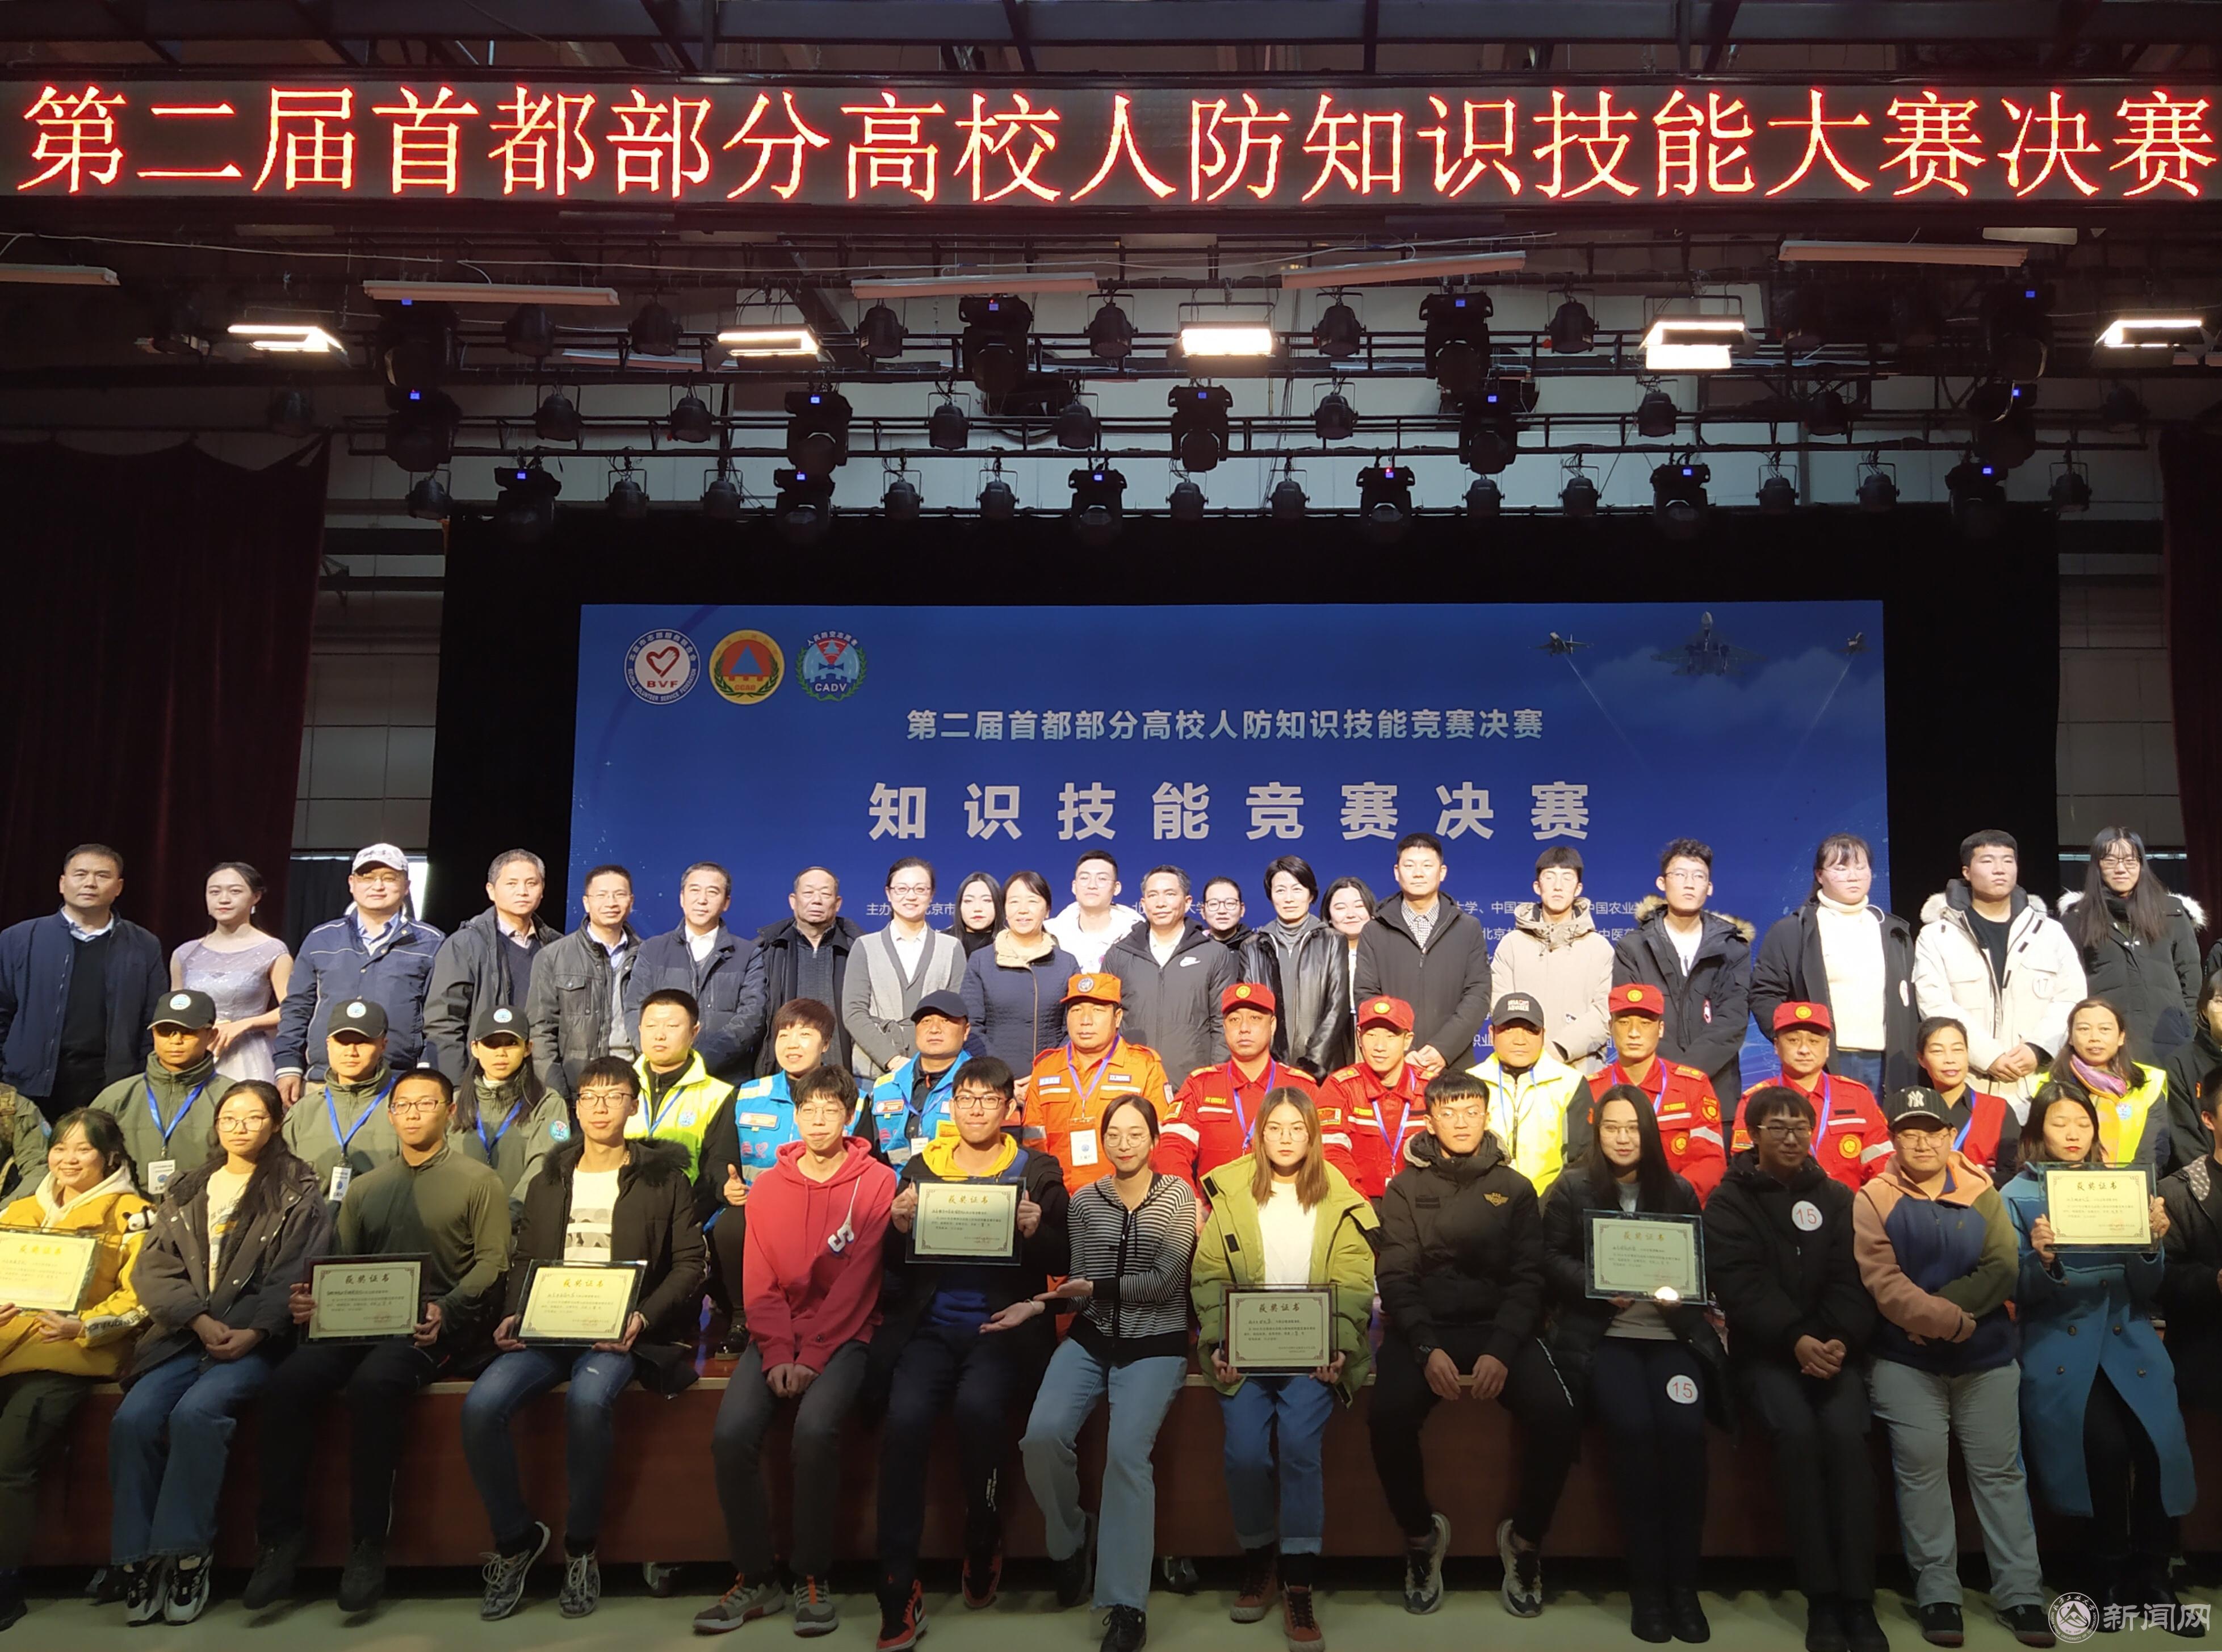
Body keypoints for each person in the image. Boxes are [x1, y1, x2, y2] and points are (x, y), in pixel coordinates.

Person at [241, 1067, 509, 1615]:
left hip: (430, 1328)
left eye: (425, 1104)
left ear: (449, 1112)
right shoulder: (366, 1188)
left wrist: (447, 1309)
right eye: (403, 1105)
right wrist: (311, 1302)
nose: (412, 1114)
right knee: (288, 1383)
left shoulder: (479, 1181)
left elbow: (492, 1264)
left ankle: (367, 1544)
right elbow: (341, 1265)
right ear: (390, 1115)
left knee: (374, 1386)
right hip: (358, 1323)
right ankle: (280, 1539)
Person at [467, 1056, 706, 1623]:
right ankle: (516, 1541)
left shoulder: (664, 1179)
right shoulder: (550, 1178)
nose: (600, 1107)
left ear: (633, 1105)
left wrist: (642, 1318)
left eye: (613, 1096)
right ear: (575, 1108)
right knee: (480, 1407)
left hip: (622, 1333)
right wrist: (514, 1312)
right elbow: (526, 1256)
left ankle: (581, 1547)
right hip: (549, 1328)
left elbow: (690, 1264)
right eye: (589, 1097)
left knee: (588, 1399)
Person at [870, 1056, 1069, 1643]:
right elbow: (892, 1265)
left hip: (1001, 1328)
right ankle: (896, 1579)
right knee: (904, 1421)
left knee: (978, 1411)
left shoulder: (1037, 1170)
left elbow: (1063, 1257)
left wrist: (1036, 1231)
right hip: (929, 1329)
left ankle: (983, 1534)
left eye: (989, 1100)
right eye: (966, 1099)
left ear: (1009, 1109)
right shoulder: (920, 1169)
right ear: (950, 1107)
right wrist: (896, 1227)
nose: (976, 1110)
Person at [113, 1081, 328, 1627]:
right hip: (184, 1336)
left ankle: (187, 1555)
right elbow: (153, 1271)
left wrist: (255, 1331)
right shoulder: (188, 1188)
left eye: (253, 1117)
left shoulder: (298, 1191)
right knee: (133, 1418)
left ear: (275, 1124)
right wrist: (198, 1318)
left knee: (197, 1413)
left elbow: (295, 1273)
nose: (239, 1127)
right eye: (229, 1117)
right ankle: (138, 1559)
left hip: (256, 1341)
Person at [1368, 1071, 1579, 1621]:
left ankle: (1524, 1541)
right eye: (1448, 1112)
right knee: (1386, 1415)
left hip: (1499, 1328)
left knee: (1558, 1416)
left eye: (1471, 1112)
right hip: (1426, 1330)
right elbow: (1396, 1277)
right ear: (1430, 1120)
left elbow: (1529, 1279)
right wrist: (1424, 1348)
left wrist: (1503, 1348)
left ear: (1486, 1117)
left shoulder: (1514, 1188)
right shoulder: (1403, 1188)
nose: (1460, 1123)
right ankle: (1421, 1539)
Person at [692, 1063, 890, 1638]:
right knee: (730, 1436)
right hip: (776, 1336)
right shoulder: (769, 1187)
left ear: (850, 1116)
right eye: (809, 1109)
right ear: (795, 1116)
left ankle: (811, 1574)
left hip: (846, 1335)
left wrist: (814, 1357)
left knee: (815, 1430)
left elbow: (859, 1283)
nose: (819, 1119)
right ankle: (757, 1577)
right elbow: (759, 1282)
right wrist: (779, 1352)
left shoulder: (877, 1182)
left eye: (832, 1109)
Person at [1852, 1088, 2054, 1650]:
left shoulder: (1982, 1190)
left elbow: (2001, 1268)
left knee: (2000, 1475)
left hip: (1984, 1358)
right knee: (1920, 1473)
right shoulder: (1873, 1197)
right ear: (1893, 1140)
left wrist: (1938, 1318)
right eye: (1909, 1133)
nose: (1922, 1144)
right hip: (1904, 1360)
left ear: (1950, 1136)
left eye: (1933, 1132)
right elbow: (1882, 1281)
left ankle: (2021, 1593)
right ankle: (1937, 1592)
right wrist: (1941, 1320)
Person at [2003, 1087, 2197, 1630]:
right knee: (2106, 1448)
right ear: (2037, 1133)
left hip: (2129, 1337)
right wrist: (2043, 1261)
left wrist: (2151, 1246)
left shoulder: (2123, 1187)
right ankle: (2107, 1575)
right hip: (2059, 1343)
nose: (2072, 1134)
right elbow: (2014, 1288)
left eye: (2082, 1124)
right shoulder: (2015, 1194)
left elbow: (2147, 1287)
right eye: (2059, 1123)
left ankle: (2156, 1576)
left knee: (2158, 1444)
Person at [1190, 1088, 1377, 1650]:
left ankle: (1298, 1580)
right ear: (1259, 1135)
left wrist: (1338, 1343)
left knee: (1298, 1447)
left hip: (1311, 1355)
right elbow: (1208, 1274)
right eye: (1275, 1128)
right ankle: (1259, 1561)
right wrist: (1218, 1340)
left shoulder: (1338, 1196)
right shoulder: (1231, 1193)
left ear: (1313, 1134)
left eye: (1297, 1128)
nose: (1286, 1139)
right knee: (1245, 1454)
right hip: (1247, 1355)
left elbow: (1353, 1277)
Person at [1541, 1085, 1726, 1644]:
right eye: (1611, 1127)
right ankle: (1646, 1590)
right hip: (1606, 1339)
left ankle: (1683, 1589)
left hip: (1671, 1338)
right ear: (1596, 1132)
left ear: (1648, 1132)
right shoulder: (1571, 1186)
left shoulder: (1676, 1190)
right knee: (1634, 1433)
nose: (1623, 1138)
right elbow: (1549, 1258)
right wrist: (1596, 1285)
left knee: (1684, 1435)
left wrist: (1682, 1290)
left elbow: (1700, 1265)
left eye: (1632, 1127)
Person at [1704, 1084, 1882, 1652]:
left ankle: (1859, 1599)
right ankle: (1822, 1599)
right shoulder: (1728, 1201)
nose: (1790, 1137)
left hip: (1833, 1352)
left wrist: (1835, 1341)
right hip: (1766, 1356)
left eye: (1800, 1126)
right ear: (1752, 1136)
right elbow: (1740, 1284)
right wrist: (1795, 1338)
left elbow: (1854, 1278)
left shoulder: (1836, 1196)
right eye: (1776, 1128)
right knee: (1799, 1438)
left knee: (1848, 1440)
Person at [1017, 1095, 1197, 1652]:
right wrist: (1037, 1305)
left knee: (1125, 1458)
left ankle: (1126, 1605)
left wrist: (1093, 1288)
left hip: (1155, 1344)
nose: (1124, 1144)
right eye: (1113, 1135)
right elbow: (1077, 1286)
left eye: (1135, 1134)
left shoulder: (1178, 1196)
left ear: (1154, 1139)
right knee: (1040, 1437)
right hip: (1092, 1338)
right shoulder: (1084, 1201)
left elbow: (1164, 1283)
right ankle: (1072, 1540)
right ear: (1102, 1142)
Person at [0, 1109, 150, 1630]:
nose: (68, 1159)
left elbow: (140, 1299)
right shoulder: (18, 1209)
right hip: (6, 1347)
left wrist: (82, 1326)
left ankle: (6, 1581)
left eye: (83, 1150)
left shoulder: (134, 1215)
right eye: (60, 1148)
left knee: (9, 1459)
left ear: (110, 1157)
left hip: (67, 1357)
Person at [1913, 830, 2085, 1114]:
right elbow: (1934, 1004)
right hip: (1968, 1084)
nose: (1999, 869)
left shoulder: (2050, 932)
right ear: (1967, 872)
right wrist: (1988, 1056)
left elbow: (2071, 998)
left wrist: (2038, 1049)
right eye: (1988, 861)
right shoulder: (1937, 935)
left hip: (2038, 1082)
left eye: (2008, 861)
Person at [697, 998, 836, 1349]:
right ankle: (743, 1317)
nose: (792, 1044)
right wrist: (726, 1185)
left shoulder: (849, 1098)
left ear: (826, 1044)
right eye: (784, 1035)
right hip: (758, 1204)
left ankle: (819, 1318)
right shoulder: (747, 1095)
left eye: (805, 1035)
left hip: (824, 1205)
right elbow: (718, 1157)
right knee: (730, 1227)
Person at [0, 843, 166, 1123]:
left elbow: (152, 1020)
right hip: (28, 1086)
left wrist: (138, 1078)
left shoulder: (143, 945)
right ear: (62, 883)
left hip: (111, 1086)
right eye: (81, 874)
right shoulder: (19, 939)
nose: (90, 883)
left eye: (102, 876)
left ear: (119, 887)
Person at [272, 842, 443, 1106]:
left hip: (399, 1082)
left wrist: (426, 1073)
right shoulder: (321, 938)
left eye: (389, 878)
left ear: (406, 886)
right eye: (367, 877)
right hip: (323, 1079)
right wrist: (288, 1065)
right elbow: (297, 1007)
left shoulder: (432, 943)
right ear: (351, 884)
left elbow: (437, 1016)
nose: (378, 886)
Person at [1750, 833, 1920, 1097]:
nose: (1853, 876)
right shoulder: (1793, 930)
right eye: (1841, 868)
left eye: (1861, 867)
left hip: (1887, 1061)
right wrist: (1794, 1040)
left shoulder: (1894, 931)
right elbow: (1765, 994)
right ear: (1820, 875)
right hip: (1824, 1059)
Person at [1614, 839, 1754, 1105]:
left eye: (1698, 876)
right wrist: (1670, 1076)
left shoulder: (1733, 948)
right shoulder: (1633, 947)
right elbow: (1632, 1018)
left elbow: (1732, 1020)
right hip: (1650, 1088)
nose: (1689, 884)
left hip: (1716, 1089)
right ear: (1662, 883)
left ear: (1709, 887)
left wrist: (1686, 1075)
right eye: (1679, 875)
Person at [1353, 832, 1491, 1084]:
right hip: (1392, 1066)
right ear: (1397, 872)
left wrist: (1443, 1048)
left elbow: (1478, 994)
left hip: (1453, 1064)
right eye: (1410, 866)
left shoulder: (1468, 928)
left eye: (1427, 865)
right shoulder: (1375, 930)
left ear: (1442, 872)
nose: (1418, 873)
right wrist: (1403, 1049)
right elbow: (1367, 995)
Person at [1156, 984, 1318, 1197]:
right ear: (1224, 1027)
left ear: (1272, 1025)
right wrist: (1187, 1201)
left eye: (1255, 1018)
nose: (1244, 1028)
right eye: (1234, 1020)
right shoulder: (1200, 1085)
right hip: (1214, 1211)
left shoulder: (1302, 1087)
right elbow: (1171, 1148)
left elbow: (1325, 1156)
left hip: (1284, 1208)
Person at [1569, 983, 1726, 1200]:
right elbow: (1579, 1163)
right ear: (1610, 1027)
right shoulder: (1588, 1089)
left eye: (1645, 1023)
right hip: (1605, 1207)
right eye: (1624, 1022)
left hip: (1676, 1206)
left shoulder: (1693, 1086)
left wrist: (1671, 1200)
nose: (1634, 1033)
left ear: (1661, 1029)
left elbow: (1710, 1161)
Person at [2060, 827, 2202, 1065]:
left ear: (2141, 864)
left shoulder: (2172, 912)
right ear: (2097, 866)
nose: (2121, 868)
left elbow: (2191, 977)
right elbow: (2069, 986)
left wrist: (2184, 1028)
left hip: (2170, 1043)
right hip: (2105, 1047)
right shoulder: (2077, 919)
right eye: (2110, 860)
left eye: (2129, 860)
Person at [422, 849, 560, 1088]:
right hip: (481, 1079)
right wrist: (456, 1086)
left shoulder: (557, 947)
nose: (522, 891)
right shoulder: (465, 944)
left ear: (542, 889)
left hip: (539, 1079)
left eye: (531, 883)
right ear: (491, 890)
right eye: (512, 883)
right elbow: (443, 1021)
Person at [1026, 975, 1172, 1193]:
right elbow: (1033, 1141)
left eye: (1097, 1010)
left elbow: (1161, 1142)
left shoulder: (1145, 1067)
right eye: (1076, 1010)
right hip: (1058, 1196)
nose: (1085, 1020)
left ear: (1118, 1017)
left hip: (1124, 1197)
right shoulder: (1045, 1069)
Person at [625, 862, 765, 1084]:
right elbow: (635, 1009)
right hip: (662, 1077)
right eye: (695, 890)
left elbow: (752, 1016)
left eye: (713, 892)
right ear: (682, 898)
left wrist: (699, 1062)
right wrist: (664, 1059)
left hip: (725, 1080)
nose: (702, 900)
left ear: (726, 902)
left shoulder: (748, 954)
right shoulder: (652, 950)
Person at [1732, 1003, 1894, 1190]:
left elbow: (1883, 1162)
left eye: (1814, 1041)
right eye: (1793, 1040)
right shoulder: (1756, 1100)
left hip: (1849, 1205)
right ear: (1776, 1046)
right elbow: (1745, 1168)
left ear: (1828, 1047)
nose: (1804, 1049)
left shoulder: (1857, 1096)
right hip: (1779, 1203)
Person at [91, 989, 231, 1197]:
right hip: (128, 1211)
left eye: (188, 1031)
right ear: (153, 1033)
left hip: (205, 1210)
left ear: (211, 1035)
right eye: (165, 1031)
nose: (176, 1040)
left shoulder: (232, 1098)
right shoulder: (116, 1097)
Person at [1103, 866, 1235, 1083]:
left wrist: (1213, 1080)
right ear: (1143, 904)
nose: (1161, 903)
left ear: (1188, 902)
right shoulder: (1119, 955)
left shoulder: (1213, 954)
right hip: (1130, 1083)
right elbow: (1105, 1021)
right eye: (1153, 895)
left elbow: (1224, 1023)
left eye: (1170, 894)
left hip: (1192, 1084)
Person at [1490, 846, 1613, 1075]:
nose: (1558, 886)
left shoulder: (1599, 948)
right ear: (1537, 887)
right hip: (1522, 1068)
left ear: (1578, 888)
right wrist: (1531, 1048)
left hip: (1582, 1070)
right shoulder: (1512, 945)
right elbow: (1501, 1005)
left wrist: (1560, 1049)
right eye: (1550, 877)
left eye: (1567, 878)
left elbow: (1604, 1012)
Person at [526, 862, 640, 1100]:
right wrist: (557, 1093)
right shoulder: (553, 956)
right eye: (602, 895)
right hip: (575, 1086)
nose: (611, 903)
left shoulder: (648, 956)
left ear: (631, 902)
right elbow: (541, 1030)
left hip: (632, 1085)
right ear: (586, 903)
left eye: (619, 895)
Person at [170, 861, 291, 1083]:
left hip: (246, 1054)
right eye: (214, 892)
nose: (224, 899)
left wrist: (245, 1024)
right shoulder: (185, 953)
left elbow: (291, 1009)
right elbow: (174, 1010)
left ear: (256, 897)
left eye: (235, 891)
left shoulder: (273, 950)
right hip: (195, 1054)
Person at [845, 859, 963, 1084]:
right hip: (874, 1073)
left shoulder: (951, 948)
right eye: (902, 889)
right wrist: (892, 1059)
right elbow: (853, 1012)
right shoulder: (865, 946)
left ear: (932, 895)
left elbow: (957, 1014)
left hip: (936, 1072)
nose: (911, 896)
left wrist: (930, 1061)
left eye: (920, 889)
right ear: (888, 894)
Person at [451, 1003, 571, 1218]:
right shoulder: (453, 1104)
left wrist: (505, 1217)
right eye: (491, 1044)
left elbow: (544, 1166)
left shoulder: (547, 1103)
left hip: (521, 1226)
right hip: (457, 1226)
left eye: (512, 1043)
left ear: (528, 1048)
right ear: (475, 1048)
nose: (501, 1053)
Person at [1238, 856, 1352, 1079]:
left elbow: (1338, 1007)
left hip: (1321, 1068)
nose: (1289, 899)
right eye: (1280, 890)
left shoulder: (1332, 940)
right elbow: (1249, 1009)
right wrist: (1265, 1063)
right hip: (1267, 1069)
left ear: (1311, 895)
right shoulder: (1252, 946)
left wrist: (1313, 1063)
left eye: (1297, 889)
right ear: (1270, 896)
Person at [278, 999, 402, 1204]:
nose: (351, 1052)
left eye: (363, 1042)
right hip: (315, 1221)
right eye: (342, 1042)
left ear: (383, 1046)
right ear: (328, 1044)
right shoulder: (303, 1112)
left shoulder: (405, 1106)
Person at [2029, 997, 2171, 1173]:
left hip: (2132, 1184)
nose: (2094, 1038)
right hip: (2067, 1183)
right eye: (2084, 1029)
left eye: (2104, 1029)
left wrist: (2123, 1185)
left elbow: (2155, 1152)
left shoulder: (2150, 1082)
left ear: (2121, 1037)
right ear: (2071, 1037)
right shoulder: (2047, 1084)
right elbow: (2037, 1148)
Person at [962, 871, 1076, 1087]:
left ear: (1048, 910)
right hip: (994, 1084)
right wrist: (1001, 1077)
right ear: (1004, 910)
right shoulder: (981, 961)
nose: (1023, 910)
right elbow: (972, 1027)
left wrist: (1047, 1072)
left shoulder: (1066, 964)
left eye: (1032, 901)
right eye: (1014, 902)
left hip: (1054, 1081)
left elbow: (1074, 1028)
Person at [1466, 992, 1581, 1194]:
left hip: (1551, 1204)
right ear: (1492, 1033)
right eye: (1509, 1029)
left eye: (1530, 1030)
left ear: (1543, 1035)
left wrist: (1549, 1203)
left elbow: (1580, 1159)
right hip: (1481, 1203)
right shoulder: (1470, 1082)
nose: (1520, 1040)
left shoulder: (1570, 1083)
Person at [1318, 996, 1429, 1201]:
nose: (1379, 1046)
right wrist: (1361, 1203)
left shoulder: (1430, 1087)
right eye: (1371, 1035)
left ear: (1407, 1040)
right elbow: (1331, 1152)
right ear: (1359, 1037)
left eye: (1390, 1036)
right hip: (1357, 1199)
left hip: (1421, 1203)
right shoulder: (1340, 1087)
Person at [760, 866, 863, 1078]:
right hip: (784, 1071)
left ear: (838, 903)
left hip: (845, 1072)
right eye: (808, 893)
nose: (817, 900)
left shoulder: (860, 949)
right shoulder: (767, 950)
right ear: (793, 900)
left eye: (825, 894)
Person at [627, 987, 737, 1182]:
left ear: (694, 1032)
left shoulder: (719, 1095)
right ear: (640, 1030)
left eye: (672, 1026)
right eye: (651, 1026)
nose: (660, 1035)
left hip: (687, 1199)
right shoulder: (619, 1086)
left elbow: (715, 1169)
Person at [2160, 1068, 2222, 1411]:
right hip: (2204, 1363)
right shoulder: (2179, 1191)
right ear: (2208, 1119)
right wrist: (2214, 1282)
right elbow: (2161, 1279)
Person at [866, 991, 974, 1166]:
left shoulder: (983, 1086)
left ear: (966, 1031)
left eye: (946, 1021)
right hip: (894, 1180)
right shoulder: (886, 1087)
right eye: (926, 1021)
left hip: (955, 1180)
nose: (934, 1029)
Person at [1915, 1016, 2020, 1184]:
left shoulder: (1997, 1109)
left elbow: (2012, 1174)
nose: (1950, 1060)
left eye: (1958, 1050)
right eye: (1937, 1051)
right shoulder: (1914, 1111)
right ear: (1921, 1059)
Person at [1046, 850, 1143, 975]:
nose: (1092, 885)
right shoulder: (1050, 933)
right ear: (1074, 887)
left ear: (1116, 888)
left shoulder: (1136, 934)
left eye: (1102, 879)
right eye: (1084, 878)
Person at [2162, 971, 2222, 1168]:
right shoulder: (2180, 1063)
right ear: (2204, 1009)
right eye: (2221, 1001)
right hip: (2203, 1177)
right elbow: (2184, 1136)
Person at [1322, 877, 1376, 1034]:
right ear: (1329, 916)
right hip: (1331, 1033)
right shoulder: (1317, 955)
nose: (1351, 914)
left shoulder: (1386, 951)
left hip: (1374, 1030)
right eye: (1341, 908)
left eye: (1359, 906)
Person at [948, 873, 1003, 958]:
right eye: (969, 901)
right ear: (959, 906)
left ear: (998, 904)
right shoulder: (942, 942)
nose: (977, 908)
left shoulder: (1012, 943)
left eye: (986, 900)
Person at [1200, 877, 1253, 953]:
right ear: (1203, 911)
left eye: (1230, 903)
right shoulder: (1192, 947)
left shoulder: (1256, 946)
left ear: (1242, 910)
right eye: (1214, 904)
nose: (1222, 911)